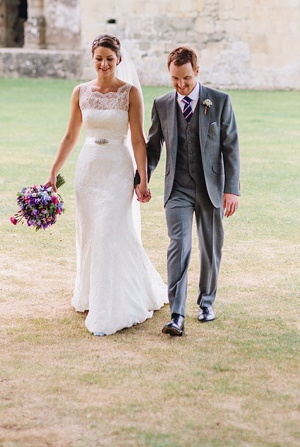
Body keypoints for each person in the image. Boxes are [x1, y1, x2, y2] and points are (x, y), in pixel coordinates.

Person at [47, 34, 167, 335]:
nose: (103, 64)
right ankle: (93, 294)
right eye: (99, 58)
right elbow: (70, 136)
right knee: (91, 234)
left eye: (109, 59)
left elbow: (139, 139)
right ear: (92, 58)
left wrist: (143, 179)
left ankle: (114, 304)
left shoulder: (130, 93)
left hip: (118, 169)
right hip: (88, 170)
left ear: (119, 60)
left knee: (110, 232)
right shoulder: (80, 92)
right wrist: (52, 174)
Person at [143, 46, 241, 337]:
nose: (181, 85)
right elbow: (153, 147)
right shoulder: (161, 104)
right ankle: (177, 314)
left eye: (186, 78)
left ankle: (206, 302)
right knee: (179, 246)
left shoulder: (220, 102)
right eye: (175, 79)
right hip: (178, 189)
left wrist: (231, 189)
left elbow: (230, 147)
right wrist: (143, 178)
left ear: (196, 72)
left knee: (211, 248)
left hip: (211, 188)